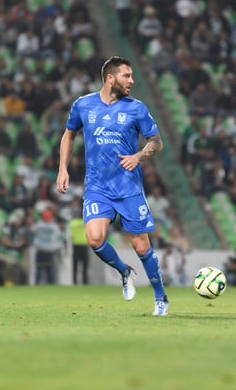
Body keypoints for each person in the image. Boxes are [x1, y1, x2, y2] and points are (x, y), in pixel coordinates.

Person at [56, 56, 169, 316]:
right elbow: (69, 134)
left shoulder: (136, 108)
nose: (132, 80)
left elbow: (156, 142)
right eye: (126, 76)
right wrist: (63, 168)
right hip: (97, 187)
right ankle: (124, 271)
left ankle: (160, 297)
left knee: (141, 247)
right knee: (94, 238)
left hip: (128, 188)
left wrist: (138, 156)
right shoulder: (83, 105)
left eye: (131, 76)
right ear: (110, 78)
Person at [69, 216, 89, 284]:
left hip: (75, 246)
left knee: (75, 266)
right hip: (84, 245)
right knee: (85, 266)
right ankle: (85, 281)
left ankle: (75, 281)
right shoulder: (86, 222)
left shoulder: (72, 223)